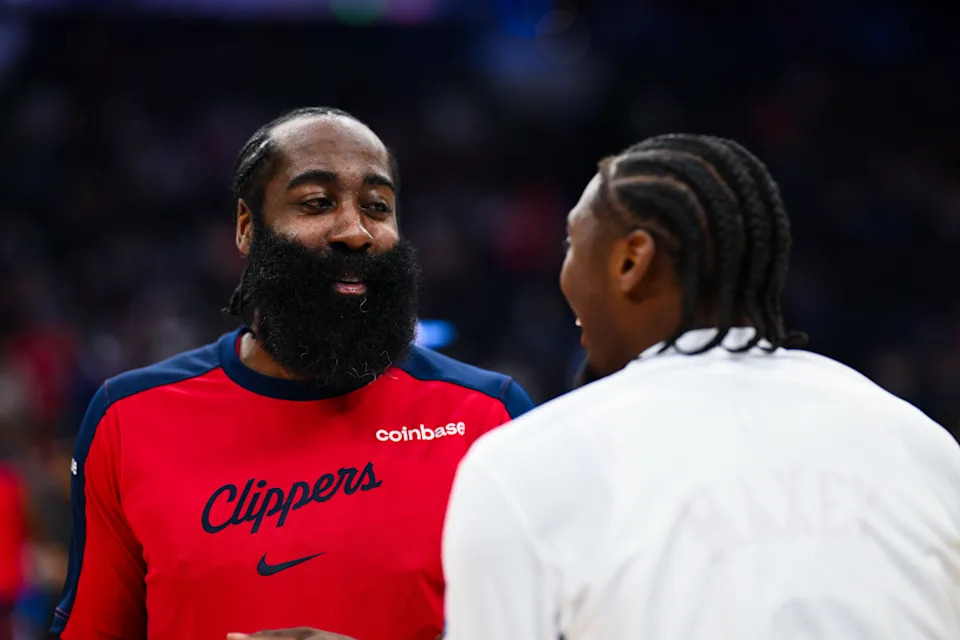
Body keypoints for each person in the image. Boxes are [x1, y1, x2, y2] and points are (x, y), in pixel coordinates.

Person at [441, 134, 960, 639]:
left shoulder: (523, 465)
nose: (564, 272)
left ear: (630, 260)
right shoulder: (922, 443)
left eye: (573, 244)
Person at [51, 107, 534, 640]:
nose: (355, 231)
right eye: (317, 203)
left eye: (378, 206)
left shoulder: (490, 419)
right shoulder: (127, 418)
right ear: (246, 228)